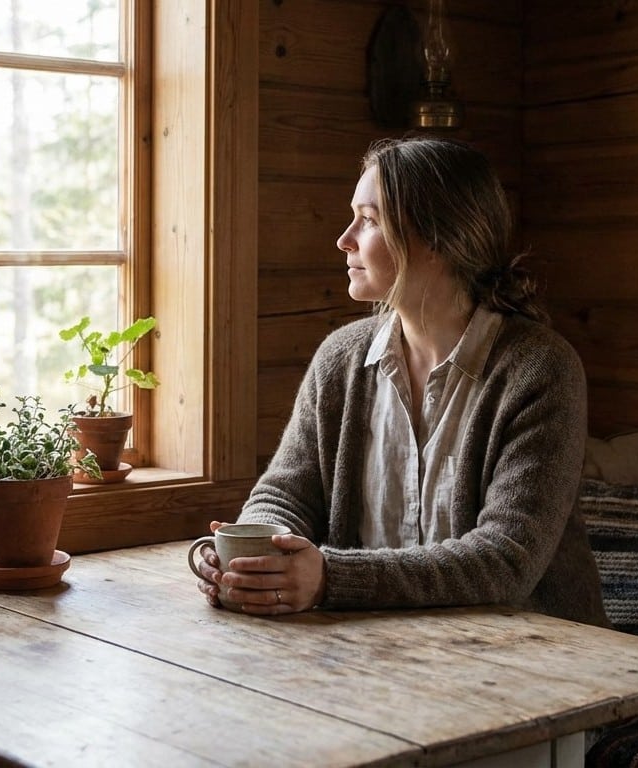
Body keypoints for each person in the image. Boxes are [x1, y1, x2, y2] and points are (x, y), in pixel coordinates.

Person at [193, 137, 607, 625]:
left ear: (438, 238)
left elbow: (506, 558)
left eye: (368, 220)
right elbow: (285, 493)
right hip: (382, 654)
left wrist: (328, 577)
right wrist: (254, 556)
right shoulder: (341, 360)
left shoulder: (539, 370)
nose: (345, 239)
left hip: (542, 663)